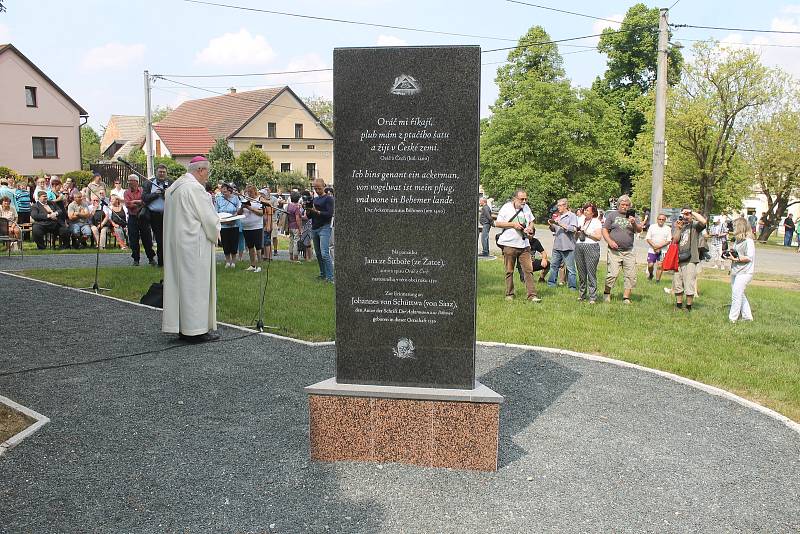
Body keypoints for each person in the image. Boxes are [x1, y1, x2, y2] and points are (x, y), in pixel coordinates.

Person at [162, 155, 221, 343]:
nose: (207, 177)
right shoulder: (195, 188)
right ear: (201, 170)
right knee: (195, 287)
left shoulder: (174, 188)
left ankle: (182, 326)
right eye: (207, 172)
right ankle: (195, 329)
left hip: (176, 244)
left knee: (181, 286)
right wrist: (217, 229)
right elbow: (210, 219)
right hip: (194, 245)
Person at [496, 189, 540, 302]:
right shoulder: (506, 207)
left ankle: (532, 295)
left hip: (524, 245)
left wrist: (530, 227)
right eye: (522, 199)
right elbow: (497, 223)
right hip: (509, 244)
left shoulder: (526, 208)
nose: (524, 201)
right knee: (509, 270)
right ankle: (509, 294)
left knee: (528, 270)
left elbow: (531, 220)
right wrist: (513, 225)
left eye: (526, 199)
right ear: (515, 199)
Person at [601, 195, 642, 304]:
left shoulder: (634, 216)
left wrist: (633, 222)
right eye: (622, 205)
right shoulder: (612, 215)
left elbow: (639, 230)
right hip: (614, 251)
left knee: (631, 275)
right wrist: (610, 241)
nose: (624, 207)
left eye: (627, 205)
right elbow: (604, 230)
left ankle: (626, 297)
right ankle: (606, 293)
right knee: (613, 274)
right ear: (618, 205)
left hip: (628, 250)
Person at [671, 206, 707, 312]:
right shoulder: (680, 225)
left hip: (691, 258)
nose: (685, 217)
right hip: (679, 258)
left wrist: (692, 213)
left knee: (689, 283)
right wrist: (678, 228)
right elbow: (675, 240)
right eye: (683, 214)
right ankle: (678, 305)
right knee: (677, 282)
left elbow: (703, 221)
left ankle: (688, 306)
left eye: (687, 215)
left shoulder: (695, 226)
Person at [123, 175, 156, 266]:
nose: (129, 182)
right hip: (132, 218)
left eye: (131, 180)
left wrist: (135, 202)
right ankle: (136, 260)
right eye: (128, 180)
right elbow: (128, 204)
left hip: (143, 217)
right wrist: (138, 202)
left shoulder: (142, 190)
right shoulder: (126, 192)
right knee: (133, 240)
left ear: (136, 181)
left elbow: (145, 202)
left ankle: (151, 258)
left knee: (147, 239)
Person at [141, 164, 170, 267]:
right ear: (156, 173)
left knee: (166, 239)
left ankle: (165, 262)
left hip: (168, 215)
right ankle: (159, 262)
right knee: (159, 239)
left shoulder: (171, 183)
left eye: (163, 172)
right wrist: (156, 194)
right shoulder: (149, 183)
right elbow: (144, 197)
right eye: (160, 172)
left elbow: (176, 198)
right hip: (153, 215)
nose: (162, 174)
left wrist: (165, 195)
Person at [547, 198, 578, 290]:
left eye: (559, 205)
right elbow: (555, 230)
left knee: (570, 269)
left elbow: (573, 229)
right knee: (553, 266)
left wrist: (560, 224)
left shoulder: (571, 216)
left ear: (565, 206)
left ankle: (572, 287)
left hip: (568, 246)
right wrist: (551, 225)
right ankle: (551, 284)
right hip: (557, 246)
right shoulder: (558, 216)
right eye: (557, 205)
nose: (558, 207)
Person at [728, 217, 755, 323]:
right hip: (736, 270)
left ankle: (732, 318)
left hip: (745, 272)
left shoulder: (749, 241)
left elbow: (749, 257)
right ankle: (748, 317)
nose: (733, 227)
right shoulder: (737, 240)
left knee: (736, 295)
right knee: (739, 294)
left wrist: (736, 258)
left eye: (735, 226)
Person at [307, 178, 334, 282]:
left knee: (324, 253)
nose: (317, 190)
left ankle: (331, 277)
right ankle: (323, 274)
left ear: (324, 186)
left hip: (325, 227)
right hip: (314, 227)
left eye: (319, 188)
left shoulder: (329, 199)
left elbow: (329, 214)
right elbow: (309, 217)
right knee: (318, 254)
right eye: (315, 188)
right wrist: (309, 211)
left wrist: (316, 211)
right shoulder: (314, 199)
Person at [575, 203, 602, 303]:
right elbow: (576, 235)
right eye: (584, 210)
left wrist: (587, 233)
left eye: (587, 210)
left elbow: (599, 237)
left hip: (591, 246)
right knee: (581, 272)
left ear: (593, 212)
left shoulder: (596, 222)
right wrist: (577, 232)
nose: (585, 212)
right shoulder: (580, 219)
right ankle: (582, 295)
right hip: (579, 245)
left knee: (591, 272)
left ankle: (592, 297)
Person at [215, 183, 241, 268]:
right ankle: (227, 261)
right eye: (222, 191)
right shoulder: (219, 199)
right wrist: (223, 221)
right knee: (225, 243)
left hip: (234, 224)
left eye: (225, 190)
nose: (224, 192)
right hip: (223, 224)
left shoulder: (235, 198)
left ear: (229, 190)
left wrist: (234, 216)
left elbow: (239, 209)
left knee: (234, 243)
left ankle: (233, 261)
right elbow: (216, 212)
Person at [238, 184, 264, 272]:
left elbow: (261, 213)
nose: (249, 194)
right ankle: (252, 264)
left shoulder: (259, 199)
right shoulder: (245, 200)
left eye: (251, 192)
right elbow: (238, 213)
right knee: (250, 247)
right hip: (246, 227)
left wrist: (250, 208)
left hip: (256, 227)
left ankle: (260, 265)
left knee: (258, 247)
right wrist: (242, 207)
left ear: (255, 191)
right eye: (248, 192)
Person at [645, 213, 672, 281]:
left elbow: (669, 240)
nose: (661, 220)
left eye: (663, 219)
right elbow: (648, 238)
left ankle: (657, 281)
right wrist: (654, 247)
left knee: (660, 266)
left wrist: (659, 247)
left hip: (663, 250)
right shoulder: (652, 227)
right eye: (659, 219)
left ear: (665, 220)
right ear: (657, 220)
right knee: (650, 265)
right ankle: (651, 274)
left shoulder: (668, 228)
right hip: (652, 249)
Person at [286, 191, 303, 262]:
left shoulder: (288, 205)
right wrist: (300, 228)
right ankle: (296, 258)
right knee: (296, 242)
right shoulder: (296, 207)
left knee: (291, 241)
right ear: (298, 199)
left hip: (290, 225)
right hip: (295, 226)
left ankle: (290, 257)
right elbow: (297, 219)